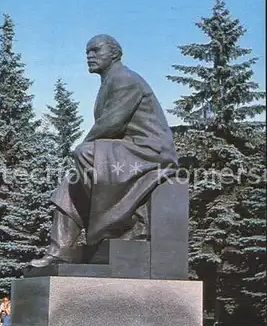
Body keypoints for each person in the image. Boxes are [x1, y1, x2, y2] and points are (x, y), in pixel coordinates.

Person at [31, 34, 179, 268]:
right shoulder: (109, 80)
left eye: (95, 51)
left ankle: (112, 223)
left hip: (149, 150)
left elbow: (111, 123)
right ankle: (60, 251)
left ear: (114, 53)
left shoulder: (125, 79)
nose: (89, 56)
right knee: (70, 185)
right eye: (87, 52)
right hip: (128, 148)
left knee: (86, 154)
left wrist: (81, 148)